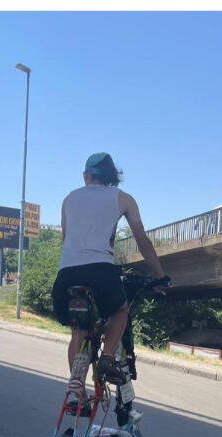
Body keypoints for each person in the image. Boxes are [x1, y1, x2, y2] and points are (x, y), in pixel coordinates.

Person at [51, 152, 170, 402]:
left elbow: (66, 241)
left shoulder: (68, 199)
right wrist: (159, 275)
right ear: (112, 178)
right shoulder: (123, 198)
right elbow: (142, 241)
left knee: (78, 330)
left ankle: (76, 387)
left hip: (67, 273)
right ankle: (106, 359)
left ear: (86, 176)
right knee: (119, 311)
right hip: (101, 271)